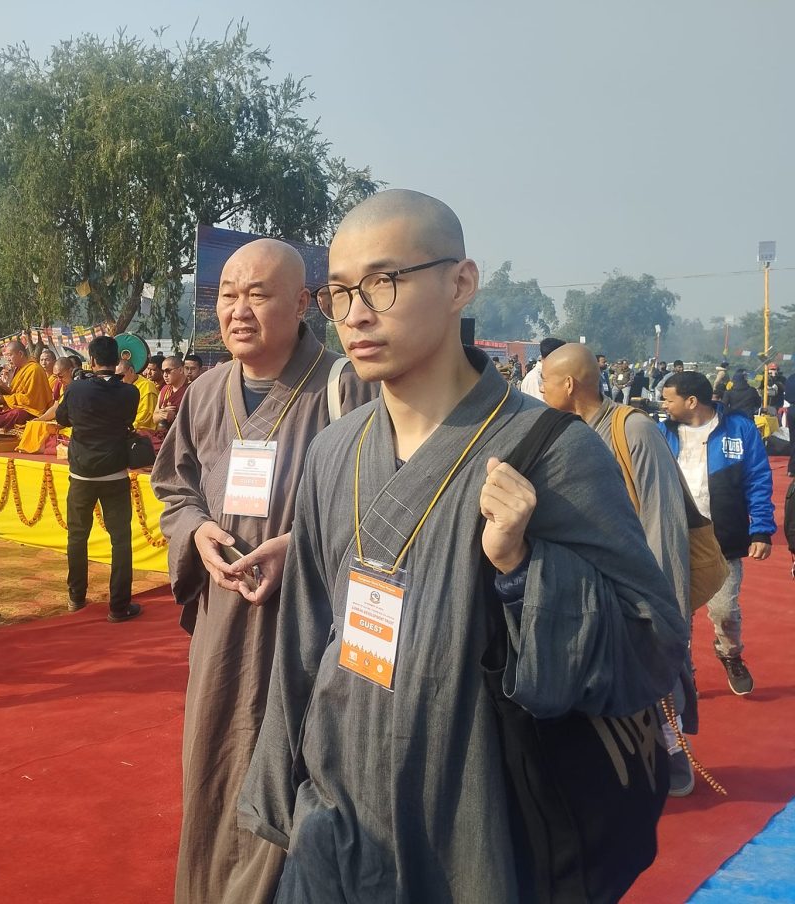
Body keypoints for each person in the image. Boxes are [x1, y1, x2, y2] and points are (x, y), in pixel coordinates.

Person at [238, 190, 687, 902]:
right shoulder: (333, 453)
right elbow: (302, 644)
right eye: (340, 292)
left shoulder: (551, 452)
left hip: (472, 824)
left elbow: (652, 641)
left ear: (460, 283)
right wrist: (282, 798)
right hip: (336, 814)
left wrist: (525, 570)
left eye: (384, 282)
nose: (357, 313)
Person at [151, 237, 376, 904]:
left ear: (303, 303)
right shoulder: (205, 392)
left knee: (301, 769)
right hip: (224, 622)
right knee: (214, 759)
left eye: (257, 294)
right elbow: (174, 488)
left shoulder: (348, 387)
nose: (238, 310)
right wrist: (197, 532)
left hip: (308, 628)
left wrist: (300, 547)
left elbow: (386, 503)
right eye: (227, 295)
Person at [541, 342, 698, 796]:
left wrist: (666, 610)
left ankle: (672, 752)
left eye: (546, 381)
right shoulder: (564, 434)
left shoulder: (634, 431)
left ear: (568, 384)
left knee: (657, 670)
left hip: (639, 583)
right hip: (589, 585)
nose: (541, 389)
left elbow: (664, 521)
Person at [660, 371, 774, 696]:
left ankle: (730, 654)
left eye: (668, 399)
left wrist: (761, 530)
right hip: (675, 537)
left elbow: (758, 479)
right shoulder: (660, 432)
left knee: (725, 611)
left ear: (691, 401)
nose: (663, 405)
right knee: (678, 615)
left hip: (723, 540)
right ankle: (684, 674)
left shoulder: (739, 429)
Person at [56, 335, 141, 622]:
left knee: (77, 535)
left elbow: (61, 419)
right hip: (115, 473)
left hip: (81, 472)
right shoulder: (130, 392)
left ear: (91, 360)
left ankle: (76, 597)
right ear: (118, 360)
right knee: (121, 540)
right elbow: (127, 419)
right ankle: (119, 606)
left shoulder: (76, 389)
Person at [0, 340, 53, 430]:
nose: (8, 359)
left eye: (10, 355)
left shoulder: (34, 369)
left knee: (18, 414)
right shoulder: (19, 369)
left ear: (20, 354)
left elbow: (30, 400)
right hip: (18, 406)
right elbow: (15, 392)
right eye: (7, 356)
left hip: (32, 411)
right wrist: (2, 386)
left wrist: (5, 399)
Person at [150, 355, 188, 451]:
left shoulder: (190, 390)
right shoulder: (165, 389)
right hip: (162, 437)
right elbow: (154, 418)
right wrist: (162, 414)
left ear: (180, 370)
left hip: (182, 439)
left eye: (168, 371)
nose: (165, 375)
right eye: (163, 372)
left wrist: (174, 416)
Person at [117, 356, 159, 434]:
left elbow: (145, 416)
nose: (119, 380)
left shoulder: (147, 386)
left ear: (131, 370)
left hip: (141, 433)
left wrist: (126, 429)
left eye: (121, 375)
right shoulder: (121, 387)